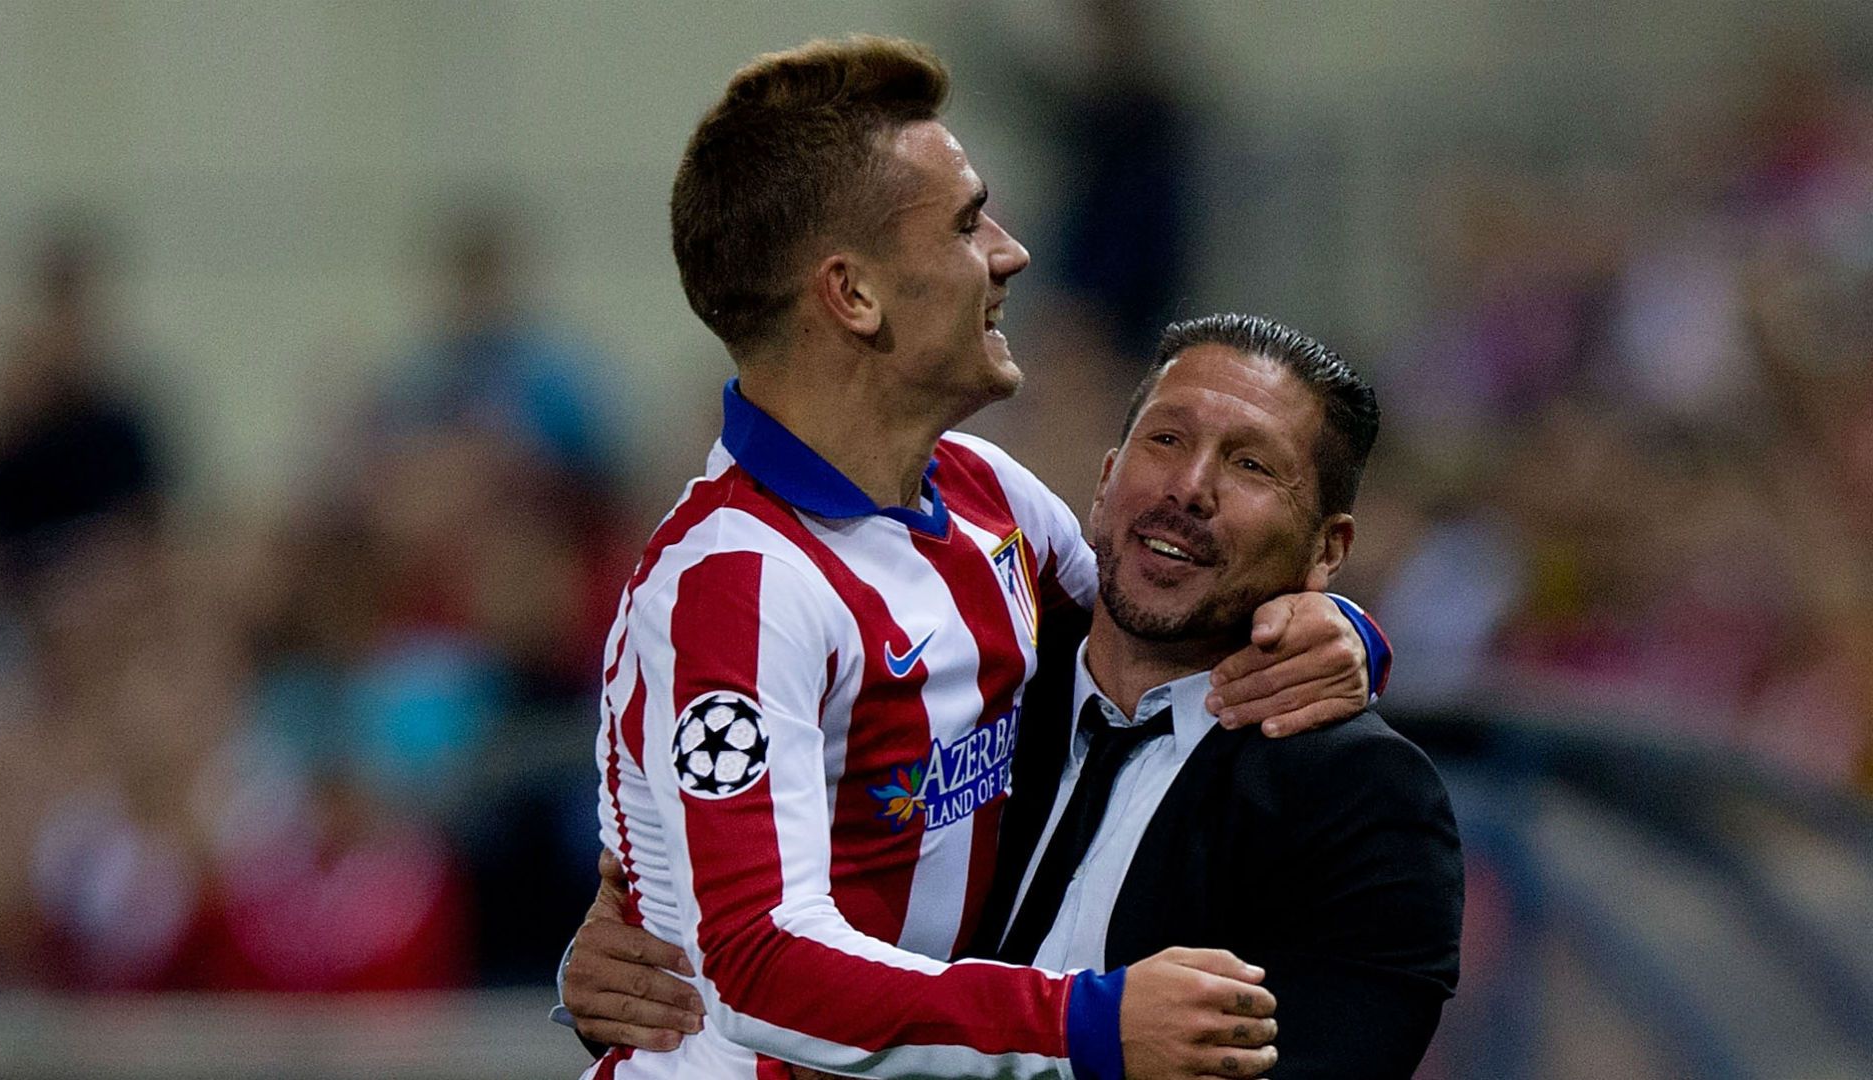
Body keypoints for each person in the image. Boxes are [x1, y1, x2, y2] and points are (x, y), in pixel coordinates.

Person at [571, 37, 1390, 1080]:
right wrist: (1086, 1023)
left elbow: (1164, 626)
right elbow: (759, 964)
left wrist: (1333, 625)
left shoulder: (983, 494)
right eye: (966, 224)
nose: (1010, 252)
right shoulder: (736, 586)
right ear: (854, 296)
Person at [564, 315, 1460, 1080]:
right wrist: (644, 941)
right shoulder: (980, 681)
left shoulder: (1366, 801)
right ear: (1106, 478)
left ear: (1328, 547)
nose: (1190, 487)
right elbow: (770, 923)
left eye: (1253, 465)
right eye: (1167, 440)